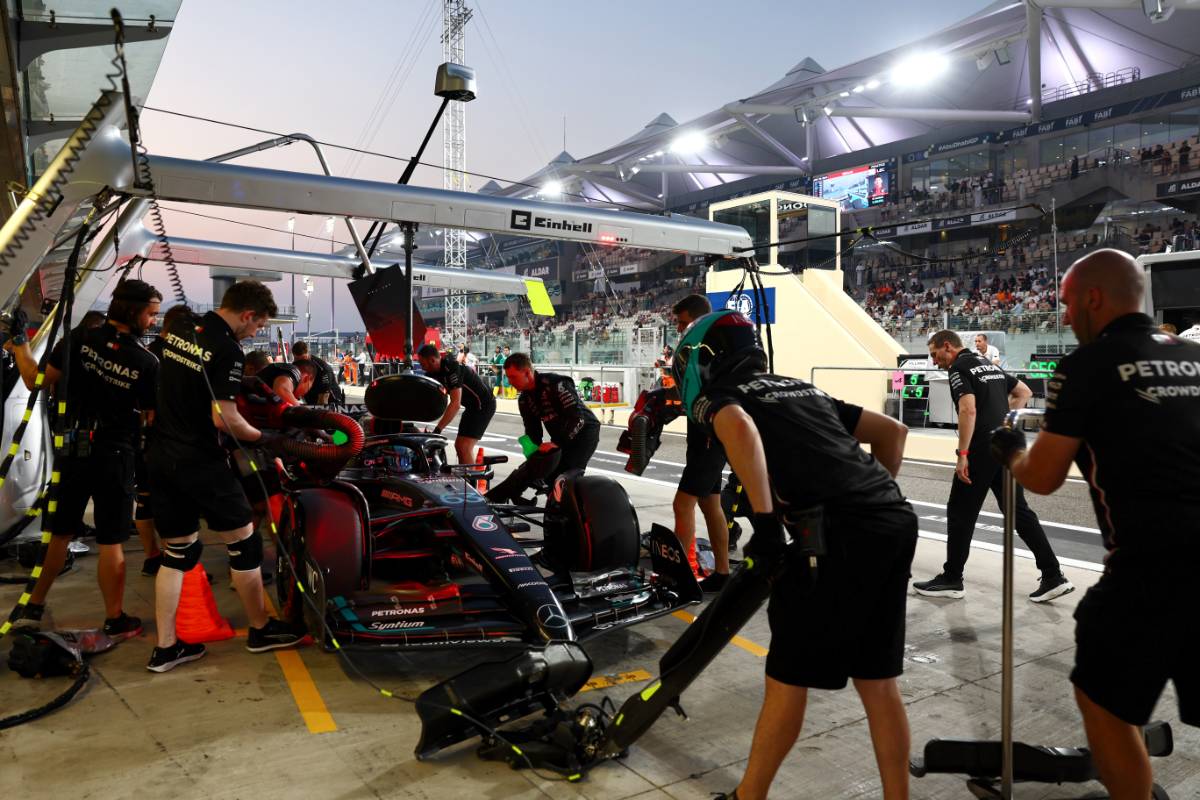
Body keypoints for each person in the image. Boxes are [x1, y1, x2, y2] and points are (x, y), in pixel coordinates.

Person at [672, 310, 917, 800]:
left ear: (703, 361)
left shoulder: (722, 397)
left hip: (830, 537)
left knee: (787, 674)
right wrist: (869, 497)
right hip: (891, 520)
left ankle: (750, 796)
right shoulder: (799, 387)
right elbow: (893, 433)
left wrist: (765, 525)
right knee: (878, 679)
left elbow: (738, 426)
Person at [992, 249, 1200, 799]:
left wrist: (1013, 450)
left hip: (1151, 567)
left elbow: (1043, 478)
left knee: (1101, 698)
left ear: (1092, 297)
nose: (1063, 316)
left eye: (1064, 303)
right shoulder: (1198, 355)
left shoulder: (1084, 366)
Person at [146, 280, 304, 672]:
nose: (256, 333)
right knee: (245, 543)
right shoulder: (229, 348)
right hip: (200, 460)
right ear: (247, 314)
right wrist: (268, 439)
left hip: (160, 454)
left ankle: (166, 649)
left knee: (179, 552)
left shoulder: (181, 328)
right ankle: (260, 628)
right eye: (259, 325)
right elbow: (224, 418)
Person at [14, 281, 162, 641]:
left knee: (59, 533)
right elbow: (151, 416)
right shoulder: (145, 361)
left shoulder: (79, 340)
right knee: (111, 540)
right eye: (150, 313)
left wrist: (19, 343)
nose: (152, 320)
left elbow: (35, 381)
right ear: (133, 311)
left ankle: (34, 604)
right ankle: (115, 617)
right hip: (115, 455)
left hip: (73, 452)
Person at [913, 330, 1073, 602]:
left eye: (934, 354)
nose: (934, 361)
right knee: (1018, 511)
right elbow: (1023, 391)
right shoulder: (988, 364)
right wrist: (1003, 422)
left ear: (948, 347)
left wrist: (963, 453)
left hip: (980, 449)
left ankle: (952, 578)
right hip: (1004, 446)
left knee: (960, 512)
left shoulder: (959, 368)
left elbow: (968, 409)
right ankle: (1053, 575)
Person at [669, 295, 731, 590]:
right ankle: (722, 572)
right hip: (703, 436)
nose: (679, 329)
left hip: (709, 436)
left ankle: (682, 576)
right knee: (710, 504)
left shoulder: (710, 348)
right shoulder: (698, 350)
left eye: (682, 323)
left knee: (682, 505)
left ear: (695, 319)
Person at [136, 303, 200, 577]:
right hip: (172, 440)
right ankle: (178, 560)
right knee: (176, 502)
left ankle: (152, 556)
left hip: (143, 438)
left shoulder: (146, 354)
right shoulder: (179, 357)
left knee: (145, 500)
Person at [504, 352, 599, 487]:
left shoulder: (556, 384)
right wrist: (532, 456)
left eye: (513, 377)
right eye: (508, 377)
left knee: (564, 476)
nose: (510, 382)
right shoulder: (524, 399)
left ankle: (566, 504)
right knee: (543, 474)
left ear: (527, 372)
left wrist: (557, 443)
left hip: (584, 431)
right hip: (561, 435)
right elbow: (533, 431)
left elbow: (578, 417)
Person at [417, 343, 497, 464]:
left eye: (423, 364)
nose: (422, 368)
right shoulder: (431, 373)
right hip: (471, 406)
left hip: (484, 404)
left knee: (464, 447)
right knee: (459, 446)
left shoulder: (452, 367)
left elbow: (455, 404)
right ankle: (467, 477)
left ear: (433, 360)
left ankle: (470, 481)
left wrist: (438, 430)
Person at [291, 340, 336, 405]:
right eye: (297, 359)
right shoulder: (295, 365)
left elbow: (323, 399)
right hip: (310, 400)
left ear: (308, 354)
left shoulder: (322, 369)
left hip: (330, 402)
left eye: (303, 359)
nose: (300, 362)